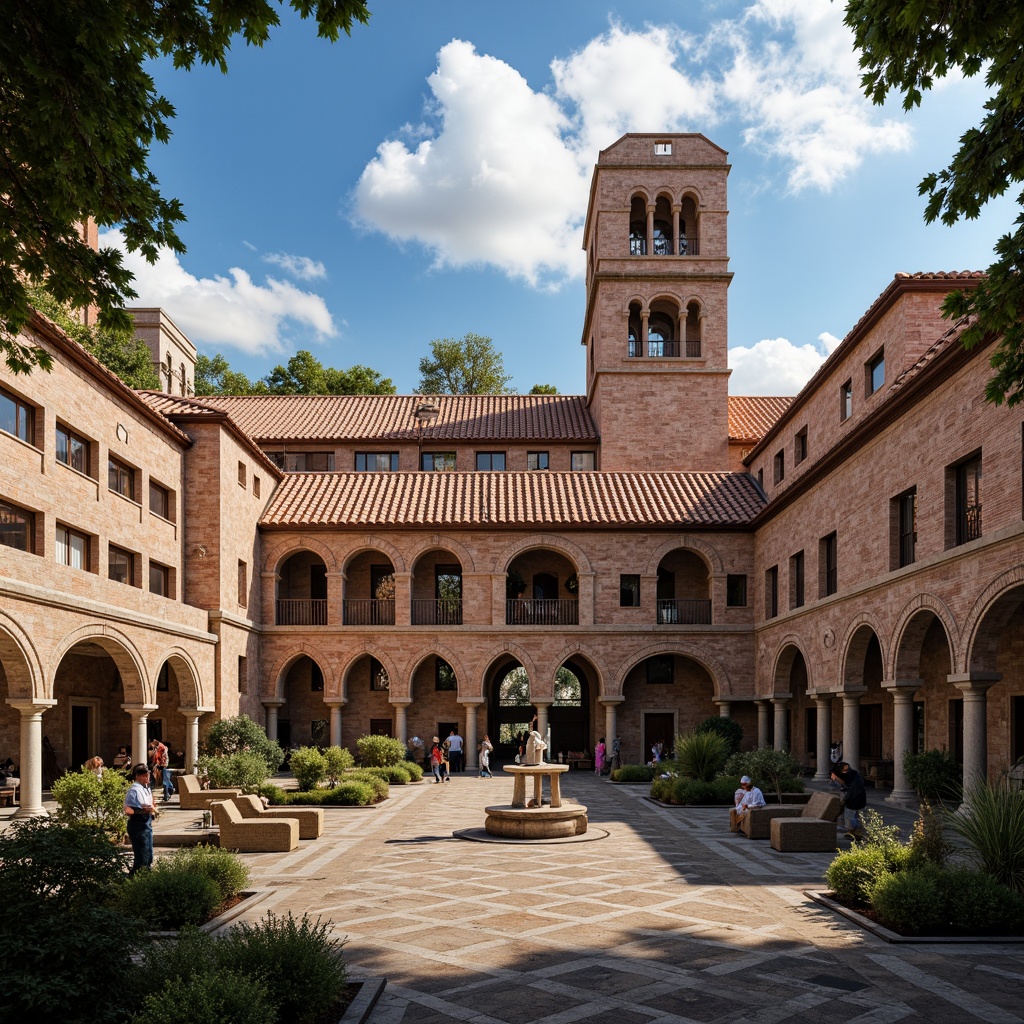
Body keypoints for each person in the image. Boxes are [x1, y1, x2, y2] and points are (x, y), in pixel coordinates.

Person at [124, 764, 156, 874]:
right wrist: (147, 810)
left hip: (146, 822)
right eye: (145, 776)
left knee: (149, 855)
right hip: (138, 824)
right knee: (142, 857)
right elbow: (128, 810)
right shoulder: (134, 790)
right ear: (138, 776)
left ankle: (146, 878)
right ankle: (136, 880)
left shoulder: (146, 787)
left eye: (148, 775)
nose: (148, 777)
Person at [832, 761, 867, 839]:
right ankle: (854, 831)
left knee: (851, 815)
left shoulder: (850, 775)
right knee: (854, 815)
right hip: (858, 798)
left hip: (854, 798)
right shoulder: (854, 774)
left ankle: (857, 831)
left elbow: (846, 785)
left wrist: (836, 778)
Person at [148, 737, 174, 803]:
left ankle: (167, 794)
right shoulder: (157, 748)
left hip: (164, 766)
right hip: (160, 765)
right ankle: (169, 791)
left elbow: (163, 758)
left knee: (165, 781)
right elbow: (156, 758)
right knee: (165, 780)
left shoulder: (162, 748)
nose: (150, 746)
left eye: (151, 744)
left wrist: (158, 765)